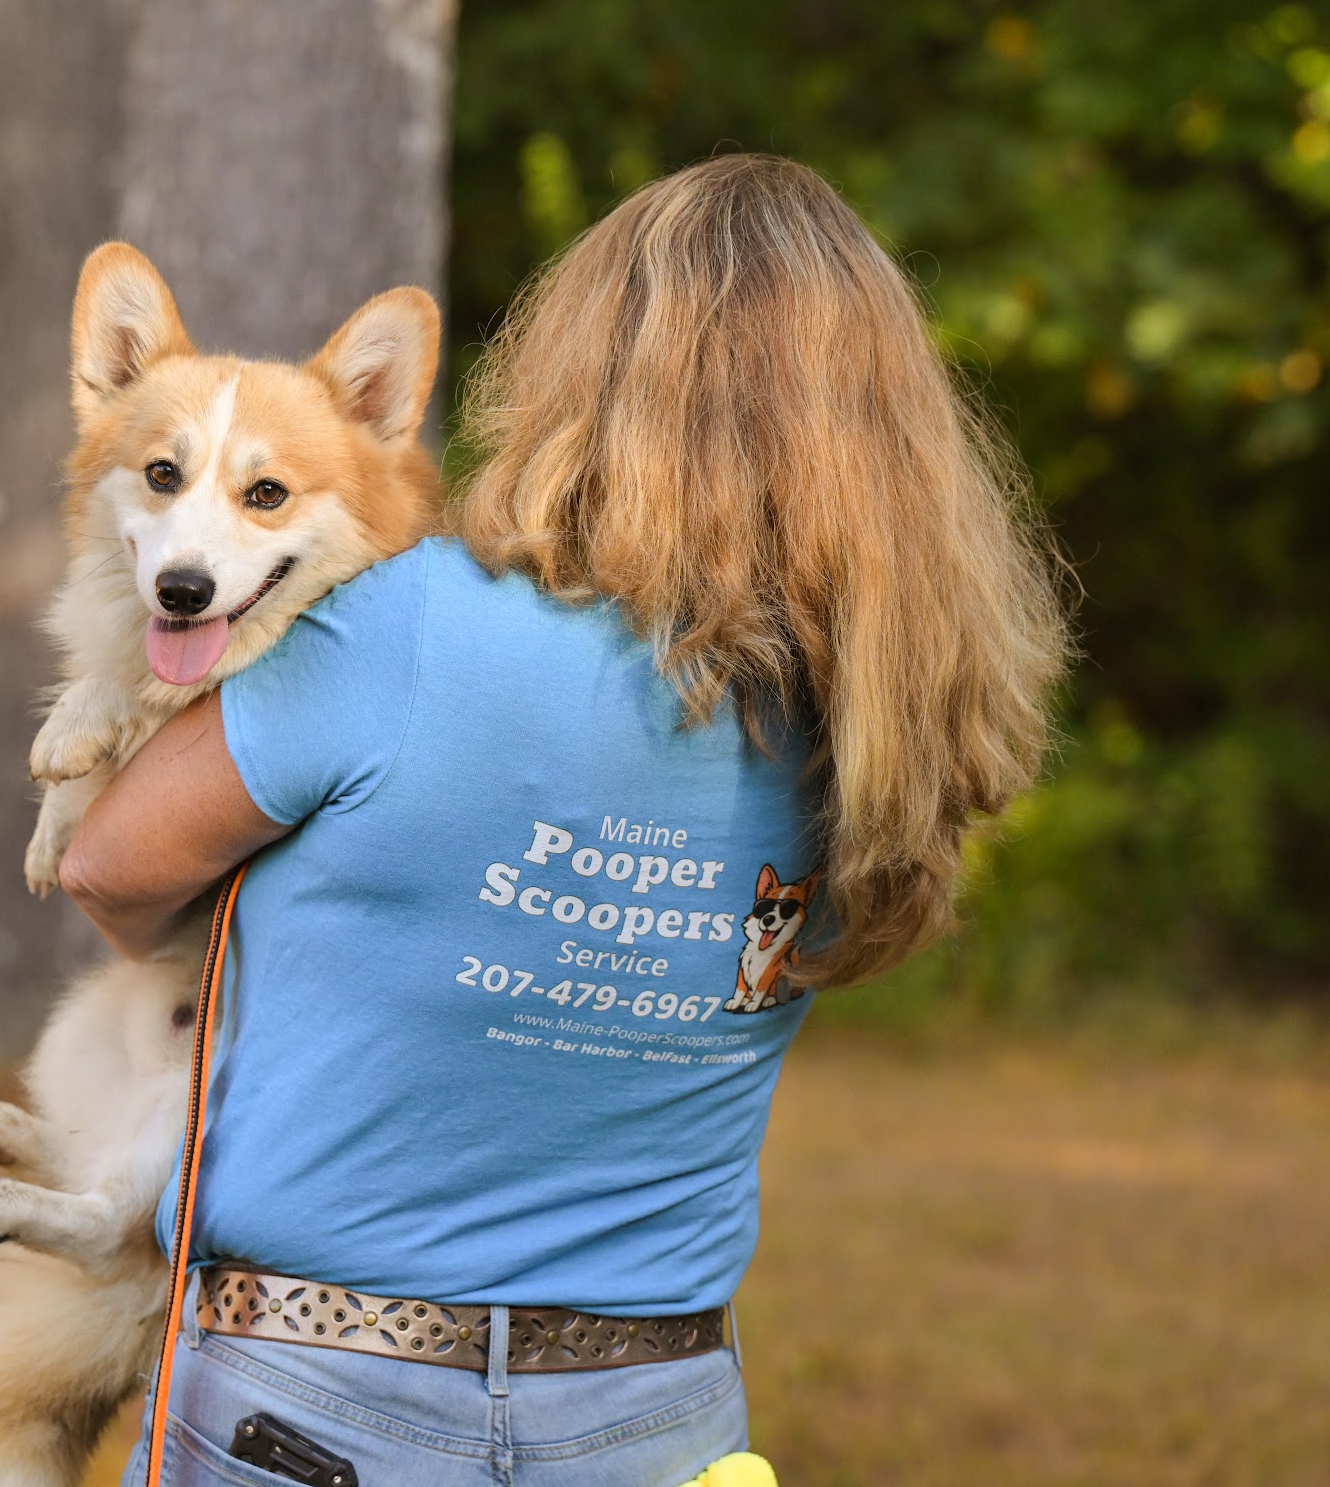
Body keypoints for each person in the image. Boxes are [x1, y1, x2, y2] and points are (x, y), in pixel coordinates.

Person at [61, 153, 1069, 1486]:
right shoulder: (883, 704)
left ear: (579, 369)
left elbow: (109, 872)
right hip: (660, 1411)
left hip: (323, 1398)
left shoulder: (407, 626)